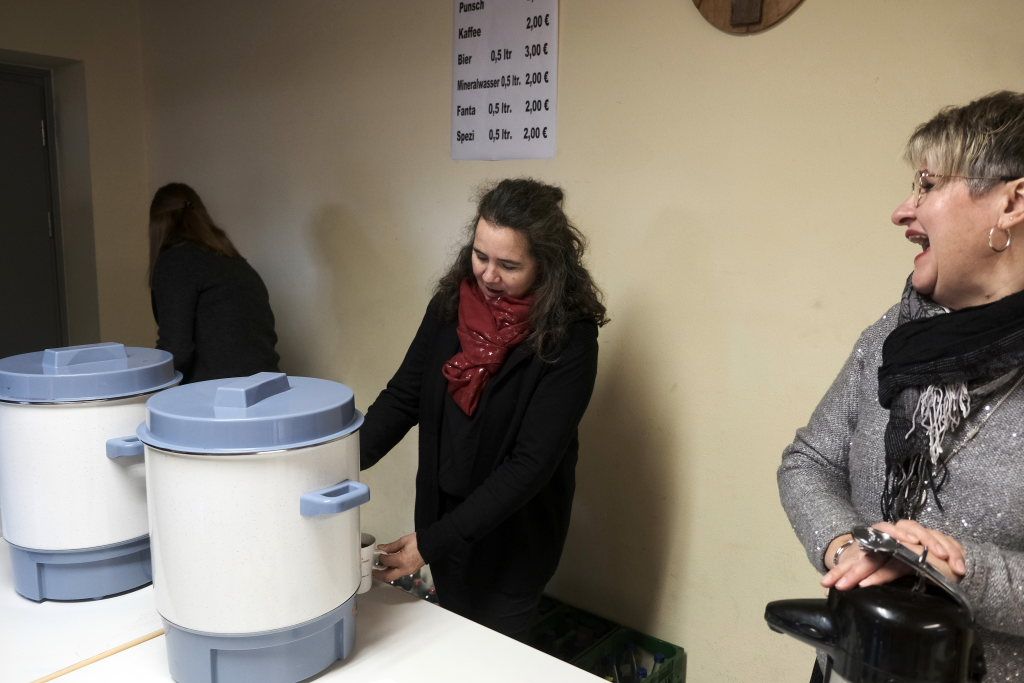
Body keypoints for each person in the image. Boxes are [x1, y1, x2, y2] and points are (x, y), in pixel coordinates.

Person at [779, 91, 1024, 680]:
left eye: (927, 186)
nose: (901, 211)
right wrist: (849, 550)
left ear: (1012, 202)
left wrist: (956, 570)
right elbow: (809, 462)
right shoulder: (895, 333)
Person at [359, 178, 608, 637]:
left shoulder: (569, 337)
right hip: (443, 515)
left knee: (493, 649)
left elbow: (530, 465)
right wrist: (337, 464)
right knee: (453, 634)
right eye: (480, 256)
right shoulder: (451, 304)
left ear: (546, 264)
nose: (489, 275)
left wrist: (429, 543)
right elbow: (404, 397)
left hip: (515, 537)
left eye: (509, 265)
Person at [148, 182, 280, 383]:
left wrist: (142, 384)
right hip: (268, 383)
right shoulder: (234, 261)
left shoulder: (176, 262)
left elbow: (177, 351)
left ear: (157, 224)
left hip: (219, 390)